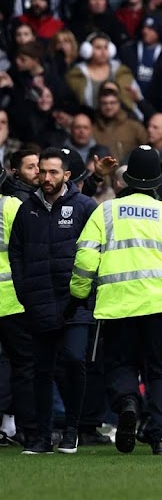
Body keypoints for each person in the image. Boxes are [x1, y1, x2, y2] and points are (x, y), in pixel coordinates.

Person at [69, 145, 162, 455]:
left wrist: (79, 293)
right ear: (158, 182)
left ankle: (129, 402)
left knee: (120, 367)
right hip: (160, 306)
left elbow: (86, 257)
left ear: (126, 180)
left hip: (116, 306)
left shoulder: (105, 211)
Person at [9, 147, 97, 455]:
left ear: (67, 176)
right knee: (41, 370)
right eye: (42, 171)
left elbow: (97, 251)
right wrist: (24, 291)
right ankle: (42, 437)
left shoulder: (86, 206)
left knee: (74, 359)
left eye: (53, 172)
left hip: (76, 303)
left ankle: (72, 429)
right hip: (39, 301)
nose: (45, 178)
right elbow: (16, 252)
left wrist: (87, 294)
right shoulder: (26, 208)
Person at [0, 168, 35, 447]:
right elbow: (28, 249)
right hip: (12, 300)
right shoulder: (12, 206)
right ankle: (25, 429)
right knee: (24, 365)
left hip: (12, 299)